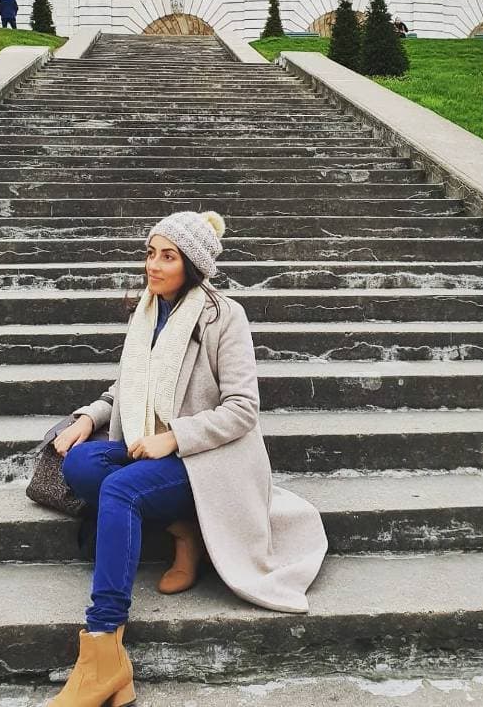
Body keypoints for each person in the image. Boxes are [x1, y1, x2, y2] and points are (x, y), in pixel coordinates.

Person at [51, 210, 327, 707]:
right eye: (150, 253)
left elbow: (243, 409)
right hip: (146, 445)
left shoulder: (225, 317)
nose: (152, 266)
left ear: (194, 266)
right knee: (81, 464)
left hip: (206, 459)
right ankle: (187, 532)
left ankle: (103, 648)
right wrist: (87, 419)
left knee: (119, 488)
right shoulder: (147, 311)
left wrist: (175, 437)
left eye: (167, 257)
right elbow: (127, 388)